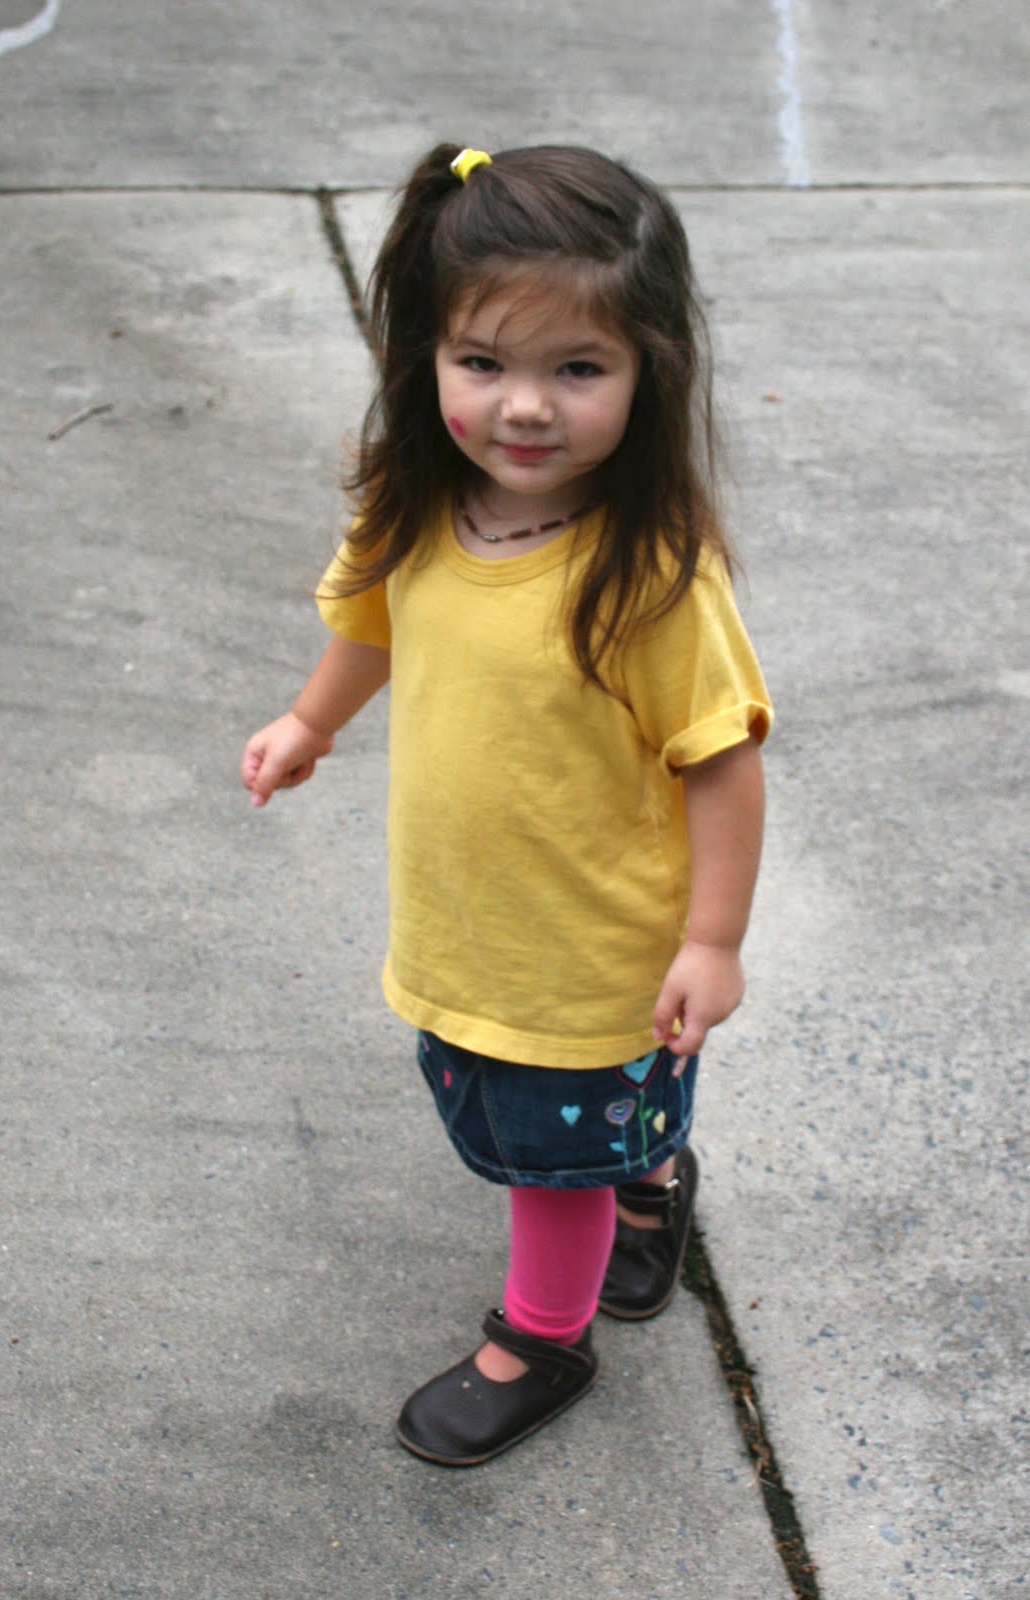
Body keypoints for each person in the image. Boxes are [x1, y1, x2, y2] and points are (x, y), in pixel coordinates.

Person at [241, 143, 772, 1467]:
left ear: (650, 373)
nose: (524, 407)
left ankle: (543, 1338)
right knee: (573, 1131)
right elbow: (372, 626)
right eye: (483, 361)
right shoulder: (419, 509)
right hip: (466, 923)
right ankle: (650, 1189)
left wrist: (712, 940)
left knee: (550, 1162)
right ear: (425, 355)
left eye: (578, 369)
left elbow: (720, 761)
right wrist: (312, 721)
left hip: (590, 952)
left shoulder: (649, 575)